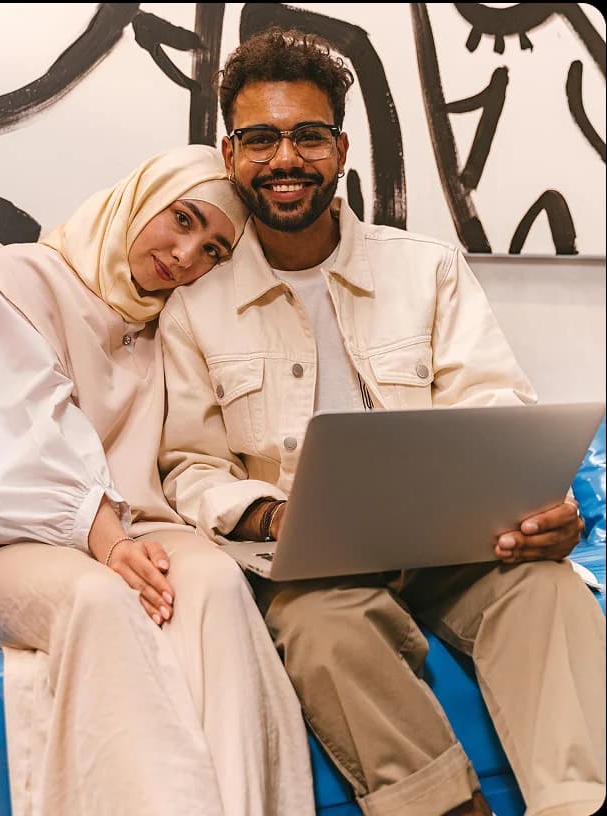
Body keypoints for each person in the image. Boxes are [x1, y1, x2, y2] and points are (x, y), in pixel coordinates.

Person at [158, 30, 606, 816]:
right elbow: (187, 467)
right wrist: (271, 513)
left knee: (548, 592)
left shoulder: (425, 268)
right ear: (231, 154)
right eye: (261, 139)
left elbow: (493, 405)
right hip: (308, 568)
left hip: (454, 547)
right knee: (325, 632)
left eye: (308, 136)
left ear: (341, 148)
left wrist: (541, 506)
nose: (285, 159)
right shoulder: (195, 308)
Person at [0, 144, 315, 816]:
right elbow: (12, 452)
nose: (188, 256)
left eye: (215, 251)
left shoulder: (172, 320)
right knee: (100, 598)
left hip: (138, 532)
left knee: (221, 584)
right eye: (183, 220)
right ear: (142, 198)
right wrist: (106, 541)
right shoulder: (23, 277)